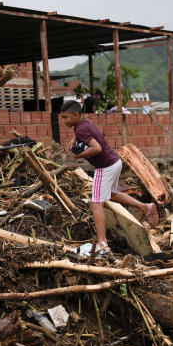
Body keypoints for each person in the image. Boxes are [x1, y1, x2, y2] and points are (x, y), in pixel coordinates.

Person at [59, 100, 158, 257]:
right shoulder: (84, 124)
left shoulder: (81, 130)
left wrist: (79, 155)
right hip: (114, 162)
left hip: (104, 167)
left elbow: (96, 148)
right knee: (111, 194)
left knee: (96, 202)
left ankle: (102, 243)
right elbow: (83, 136)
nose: (63, 121)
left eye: (65, 117)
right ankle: (145, 207)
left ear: (76, 115)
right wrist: (74, 141)